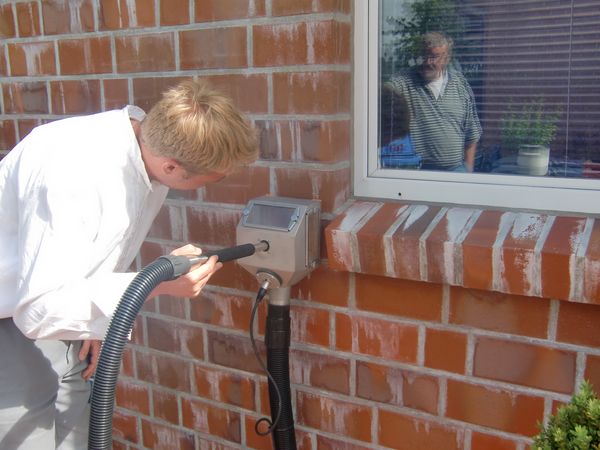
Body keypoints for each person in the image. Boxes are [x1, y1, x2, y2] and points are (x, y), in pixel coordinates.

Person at [0, 79, 258, 449]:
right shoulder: (73, 172)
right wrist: (156, 284)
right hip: (11, 324)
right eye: (207, 180)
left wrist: (95, 322)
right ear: (172, 166)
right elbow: (37, 310)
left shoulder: (144, 146)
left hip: (60, 322)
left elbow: (85, 254)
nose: (209, 186)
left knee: (77, 440)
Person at [385, 31, 482, 172]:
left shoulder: (460, 84)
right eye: (425, 55)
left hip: (456, 170)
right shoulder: (404, 81)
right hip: (418, 172)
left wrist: (468, 170)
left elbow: (472, 132)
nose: (428, 62)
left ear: (447, 58)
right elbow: (380, 97)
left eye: (434, 57)